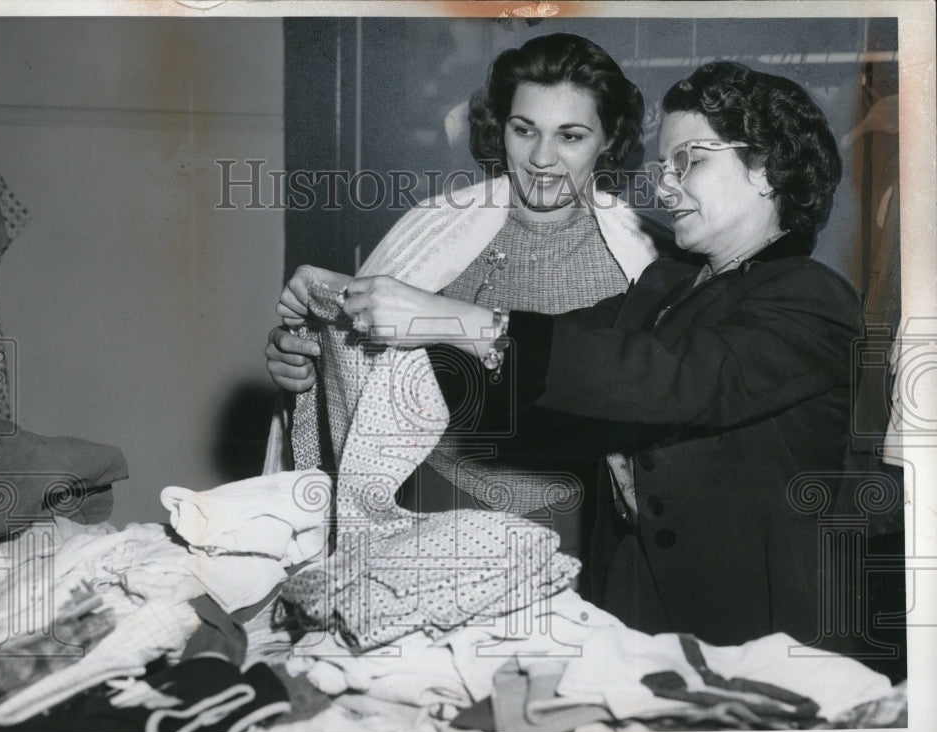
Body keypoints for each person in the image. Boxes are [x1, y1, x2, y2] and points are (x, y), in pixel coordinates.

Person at [278, 61, 862, 651]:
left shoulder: (812, 296)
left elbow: (661, 376)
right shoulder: (669, 286)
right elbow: (539, 359)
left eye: (690, 160)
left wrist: (442, 317)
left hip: (760, 630)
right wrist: (345, 313)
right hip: (636, 607)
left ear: (765, 166)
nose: (663, 186)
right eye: (664, 165)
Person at [266, 33, 666, 566]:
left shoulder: (648, 258)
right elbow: (364, 377)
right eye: (524, 130)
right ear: (500, 127)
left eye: (570, 136)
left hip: (588, 529)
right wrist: (305, 361)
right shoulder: (434, 232)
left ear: (608, 139)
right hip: (435, 513)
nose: (542, 158)